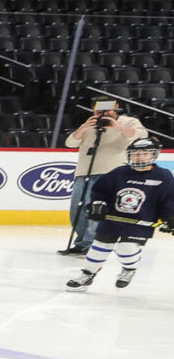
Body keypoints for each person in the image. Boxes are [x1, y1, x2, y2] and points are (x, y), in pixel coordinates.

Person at [66, 135, 173, 291]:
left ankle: (129, 269)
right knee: (99, 246)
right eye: (136, 153)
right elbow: (99, 192)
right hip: (112, 220)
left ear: (153, 154)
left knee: (126, 247)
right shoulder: (119, 172)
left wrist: (170, 217)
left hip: (141, 221)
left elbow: (169, 199)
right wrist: (98, 204)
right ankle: (87, 274)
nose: (140, 157)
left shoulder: (163, 176)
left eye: (144, 153)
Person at [64, 96, 151, 254]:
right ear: (93, 110)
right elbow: (70, 143)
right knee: (77, 209)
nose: (104, 113)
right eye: (99, 110)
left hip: (110, 172)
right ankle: (82, 242)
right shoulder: (90, 124)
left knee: (97, 210)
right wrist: (84, 127)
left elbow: (141, 136)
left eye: (108, 109)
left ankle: (91, 244)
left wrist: (117, 126)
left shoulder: (128, 121)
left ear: (116, 107)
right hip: (84, 172)